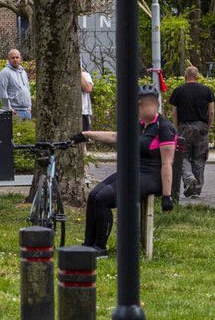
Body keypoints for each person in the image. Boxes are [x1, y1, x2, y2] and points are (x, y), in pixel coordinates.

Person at [76, 84, 177, 250]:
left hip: (151, 176)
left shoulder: (163, 127)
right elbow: (115, 136)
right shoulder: (138, 124)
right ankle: (88, 244)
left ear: (152, 105)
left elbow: (167, 163)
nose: (136, 108)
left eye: (139, 104)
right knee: (94, 195)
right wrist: (85, 135)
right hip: (131, 172)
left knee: (103, 199)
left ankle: (99, 247)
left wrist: (167, 196)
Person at [168, 64, 215, 201]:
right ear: (197, 76)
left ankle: (189, 178)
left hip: (184, 127)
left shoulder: (178, 91)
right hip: (201, 127)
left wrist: (176, 129)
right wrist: (208, 126)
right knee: (200, 157)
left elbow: (174, 112)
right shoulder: (207, 90)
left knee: (183, 156)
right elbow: (211, 111)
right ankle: (196, 188)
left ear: (185, 77)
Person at [0, 48, 32, 120]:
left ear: (20, 58)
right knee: (16, 131)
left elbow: (28, 89)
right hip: (15, 111)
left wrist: (29, 107)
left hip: (27, 111)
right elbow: (2, 92)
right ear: (8, 59)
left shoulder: (23, 72)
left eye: (17, 57)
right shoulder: (5, 73)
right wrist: (9, 109)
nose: (15, 59)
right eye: (12, 58)